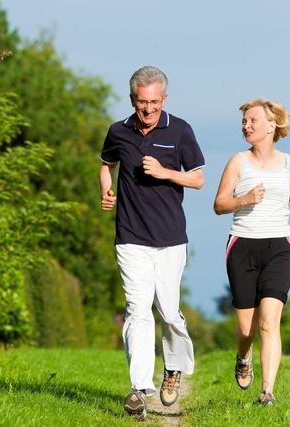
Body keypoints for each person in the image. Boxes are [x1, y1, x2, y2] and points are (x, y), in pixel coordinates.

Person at [99, 66, 205, 419]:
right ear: (133, 100)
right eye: (142, 103)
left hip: (171, 238)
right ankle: (139, 388)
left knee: (169, 312)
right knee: (137, 309)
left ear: (164, 99)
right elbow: (105, 164)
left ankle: (172, 368)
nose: (148, 110)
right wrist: (106, 190)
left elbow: (199, 180)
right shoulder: (118, 131)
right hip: (130, 237)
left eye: (154, 103)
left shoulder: (180, 130)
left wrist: (165, 173)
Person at [213, 98, 290, 405]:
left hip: (279, 246)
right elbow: (219, 204)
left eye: (253, 120)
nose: (246, 126)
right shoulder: (237, 162)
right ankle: (244, 357)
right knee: (246, 329)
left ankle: (267, 392)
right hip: (243, 245)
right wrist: (245, 198)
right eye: (244, 121)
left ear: (272, 125)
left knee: (269, 320)